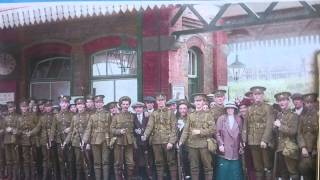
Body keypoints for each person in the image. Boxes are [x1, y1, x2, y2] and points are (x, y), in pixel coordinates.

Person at [179, 93, 215, 180]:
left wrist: (200, 131)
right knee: (194, 168)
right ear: (194, 103)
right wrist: (181, 141)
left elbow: (213, 129)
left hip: (204, 145)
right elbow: (186, 130)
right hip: (192, 145)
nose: (198, 103)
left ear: (203, 102)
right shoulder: (191, 115)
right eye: (196, 101)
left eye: (200, 101)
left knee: (207, 168)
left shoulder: (208, 115)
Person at [142, 93, 177, 180]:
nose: (160, 102)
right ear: (156, 102)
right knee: (158, 163)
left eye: (162, 100)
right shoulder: (154, 113)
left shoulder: (170, 113)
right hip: (156, 142)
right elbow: (149, 126)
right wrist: (145, 135)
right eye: (158, 100)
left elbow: (174, 129)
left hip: (167, 141)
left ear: (165, 101)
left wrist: (171, 142)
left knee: (171, 163)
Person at [243, 86, 274, 180]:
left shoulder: (268, 108)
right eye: (255, 95)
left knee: (267, 165)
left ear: (263, 95)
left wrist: (265, 140)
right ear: (252, 96)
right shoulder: (249, 109)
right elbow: (245, 125)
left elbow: (269, 125)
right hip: (252, 141)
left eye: (259, 94)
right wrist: (244, 139)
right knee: (257, 167)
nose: (257, 97)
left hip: (263, 141)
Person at [83, 95, 112, 180]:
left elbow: (111, 127)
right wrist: (85, 141)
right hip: (94, 140)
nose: (98, 104)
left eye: (100, 102)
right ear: (95, 104)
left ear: (103, 103)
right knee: (96, 163)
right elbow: (88, 129)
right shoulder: (92, 116)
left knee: (105, 162)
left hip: (105, 140)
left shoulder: (108, 114)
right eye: (97, 103)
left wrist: (111, 140)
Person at [273, 92, 299, 180]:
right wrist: (275, 127)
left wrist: (280, 126)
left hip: (290, 148)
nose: (281, 102)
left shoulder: (294, 115)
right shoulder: (279, 115)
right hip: (280, 148)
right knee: (283, 173)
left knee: (293, 172)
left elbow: (293, 131)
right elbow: (277, 133)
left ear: (288, 101)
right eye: (279, 101)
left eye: (284, 100)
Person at [215, 101, 244, 180]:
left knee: (235, 169)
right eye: (228, 108)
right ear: (226, 109)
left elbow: (241, 133)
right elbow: (217, 133)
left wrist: (241, 144)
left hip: (236, 147)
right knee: (224, 169)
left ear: (234, 109)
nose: (230, 110)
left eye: (232, 108)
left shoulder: (238, 119)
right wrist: (220, 144)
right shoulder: (221, 118)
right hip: (225, 147)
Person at [28, 100, 56, 180]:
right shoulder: (42, 117)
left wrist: (51, 139)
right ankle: (44, 176)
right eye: (46, 107)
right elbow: (38, 127)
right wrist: (30, 133)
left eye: (49, 106)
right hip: (43, 140)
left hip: (53, 140)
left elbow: (54, 128)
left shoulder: (55, 116)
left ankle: (53, 176)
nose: (47, 108)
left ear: (51, 107)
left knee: (52, 158)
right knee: (45, 158)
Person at [64, 97, 90, 180]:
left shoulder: (89, 116)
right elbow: (71, 130)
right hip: (76, 142)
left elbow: (90, 130)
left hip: (85, 143)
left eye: (81, 104)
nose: (80, 106)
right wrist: (66, 141)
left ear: (84, 105)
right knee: (78, 163)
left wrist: (87, 142)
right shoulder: (74, 117)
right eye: (78, 104)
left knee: (86, 163)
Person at [110, 96, 136, 180]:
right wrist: (119, 131)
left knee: (130, 163)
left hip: (129, 142)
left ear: (129, 105)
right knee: (118, 163)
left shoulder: (132, 116)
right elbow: (111, 129)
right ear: (120, 105)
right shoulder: (116, 116)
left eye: (127, 104)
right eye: (123, 104)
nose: (125, 106)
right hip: (118, 142)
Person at [50, 95, 73, 180]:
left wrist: (70, 128)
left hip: (69, 140)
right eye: (62, 103)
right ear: (60, 104)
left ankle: (70, 177)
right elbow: (53, 128)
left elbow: (76, 126)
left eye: (66, 103)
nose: (64, 105)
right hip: (59, 140)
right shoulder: (56, 116)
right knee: (61, 160)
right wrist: (51, 140)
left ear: (68, 104)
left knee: (70, 160)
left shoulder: (72, 115)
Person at [297, 93, 318, 180]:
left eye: (311, 102)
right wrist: (303, 147)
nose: (309, 104)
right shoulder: (302, 116)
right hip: (305, 150)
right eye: (307, 102)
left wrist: (315, 148)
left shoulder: (318, 115)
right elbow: (299, 133)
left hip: (316, 149)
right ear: (304, 103)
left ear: (315, 103)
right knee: (305, 170)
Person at [17, 99, 38, 180]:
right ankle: (27, 176)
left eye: (25, 107)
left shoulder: (33, 115)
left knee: (33, 159)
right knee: (26, 159)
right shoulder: (19, 118)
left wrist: (32, 132)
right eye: (22, 107)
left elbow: (38, 126)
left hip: (32, 139)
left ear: (28, 107)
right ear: (20, 108)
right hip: (24, 140)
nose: (24, 108)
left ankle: (33, 176)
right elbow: (18, 129)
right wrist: (18, 132)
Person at [132, 102, 153, 180]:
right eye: (136, 108)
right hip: (137, 142)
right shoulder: (132, 117)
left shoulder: (148, 116)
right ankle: (141, 176)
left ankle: (150, 176)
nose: (138, 109)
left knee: (149, 160)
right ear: (134, 109)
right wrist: (135, 131)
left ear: (143, 109)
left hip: (147, 142)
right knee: (139, 161)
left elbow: (151, 127)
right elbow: (131, 128)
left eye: (140, 108)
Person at [2, 101, 19, 180]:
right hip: (6, 140)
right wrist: (6, 130)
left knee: (15, 159)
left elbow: (19, 129)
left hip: (14, 140)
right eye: (9, 107)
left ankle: (15, 176)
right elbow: (3, 128)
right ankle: (9, 176)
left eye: (11, 107)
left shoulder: (18, 117)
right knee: (8, 159)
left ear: (14, 107)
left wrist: (12, 129)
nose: (10, 109)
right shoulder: (5, 117)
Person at [176, 99, 190, 179]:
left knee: (188, 161)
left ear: (187, 109)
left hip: (188, 144)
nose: (183, 110)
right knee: (181, 162)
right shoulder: (176, 118)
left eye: (184, 108)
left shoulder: (190, 118)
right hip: (178, 144)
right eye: (181, 109)